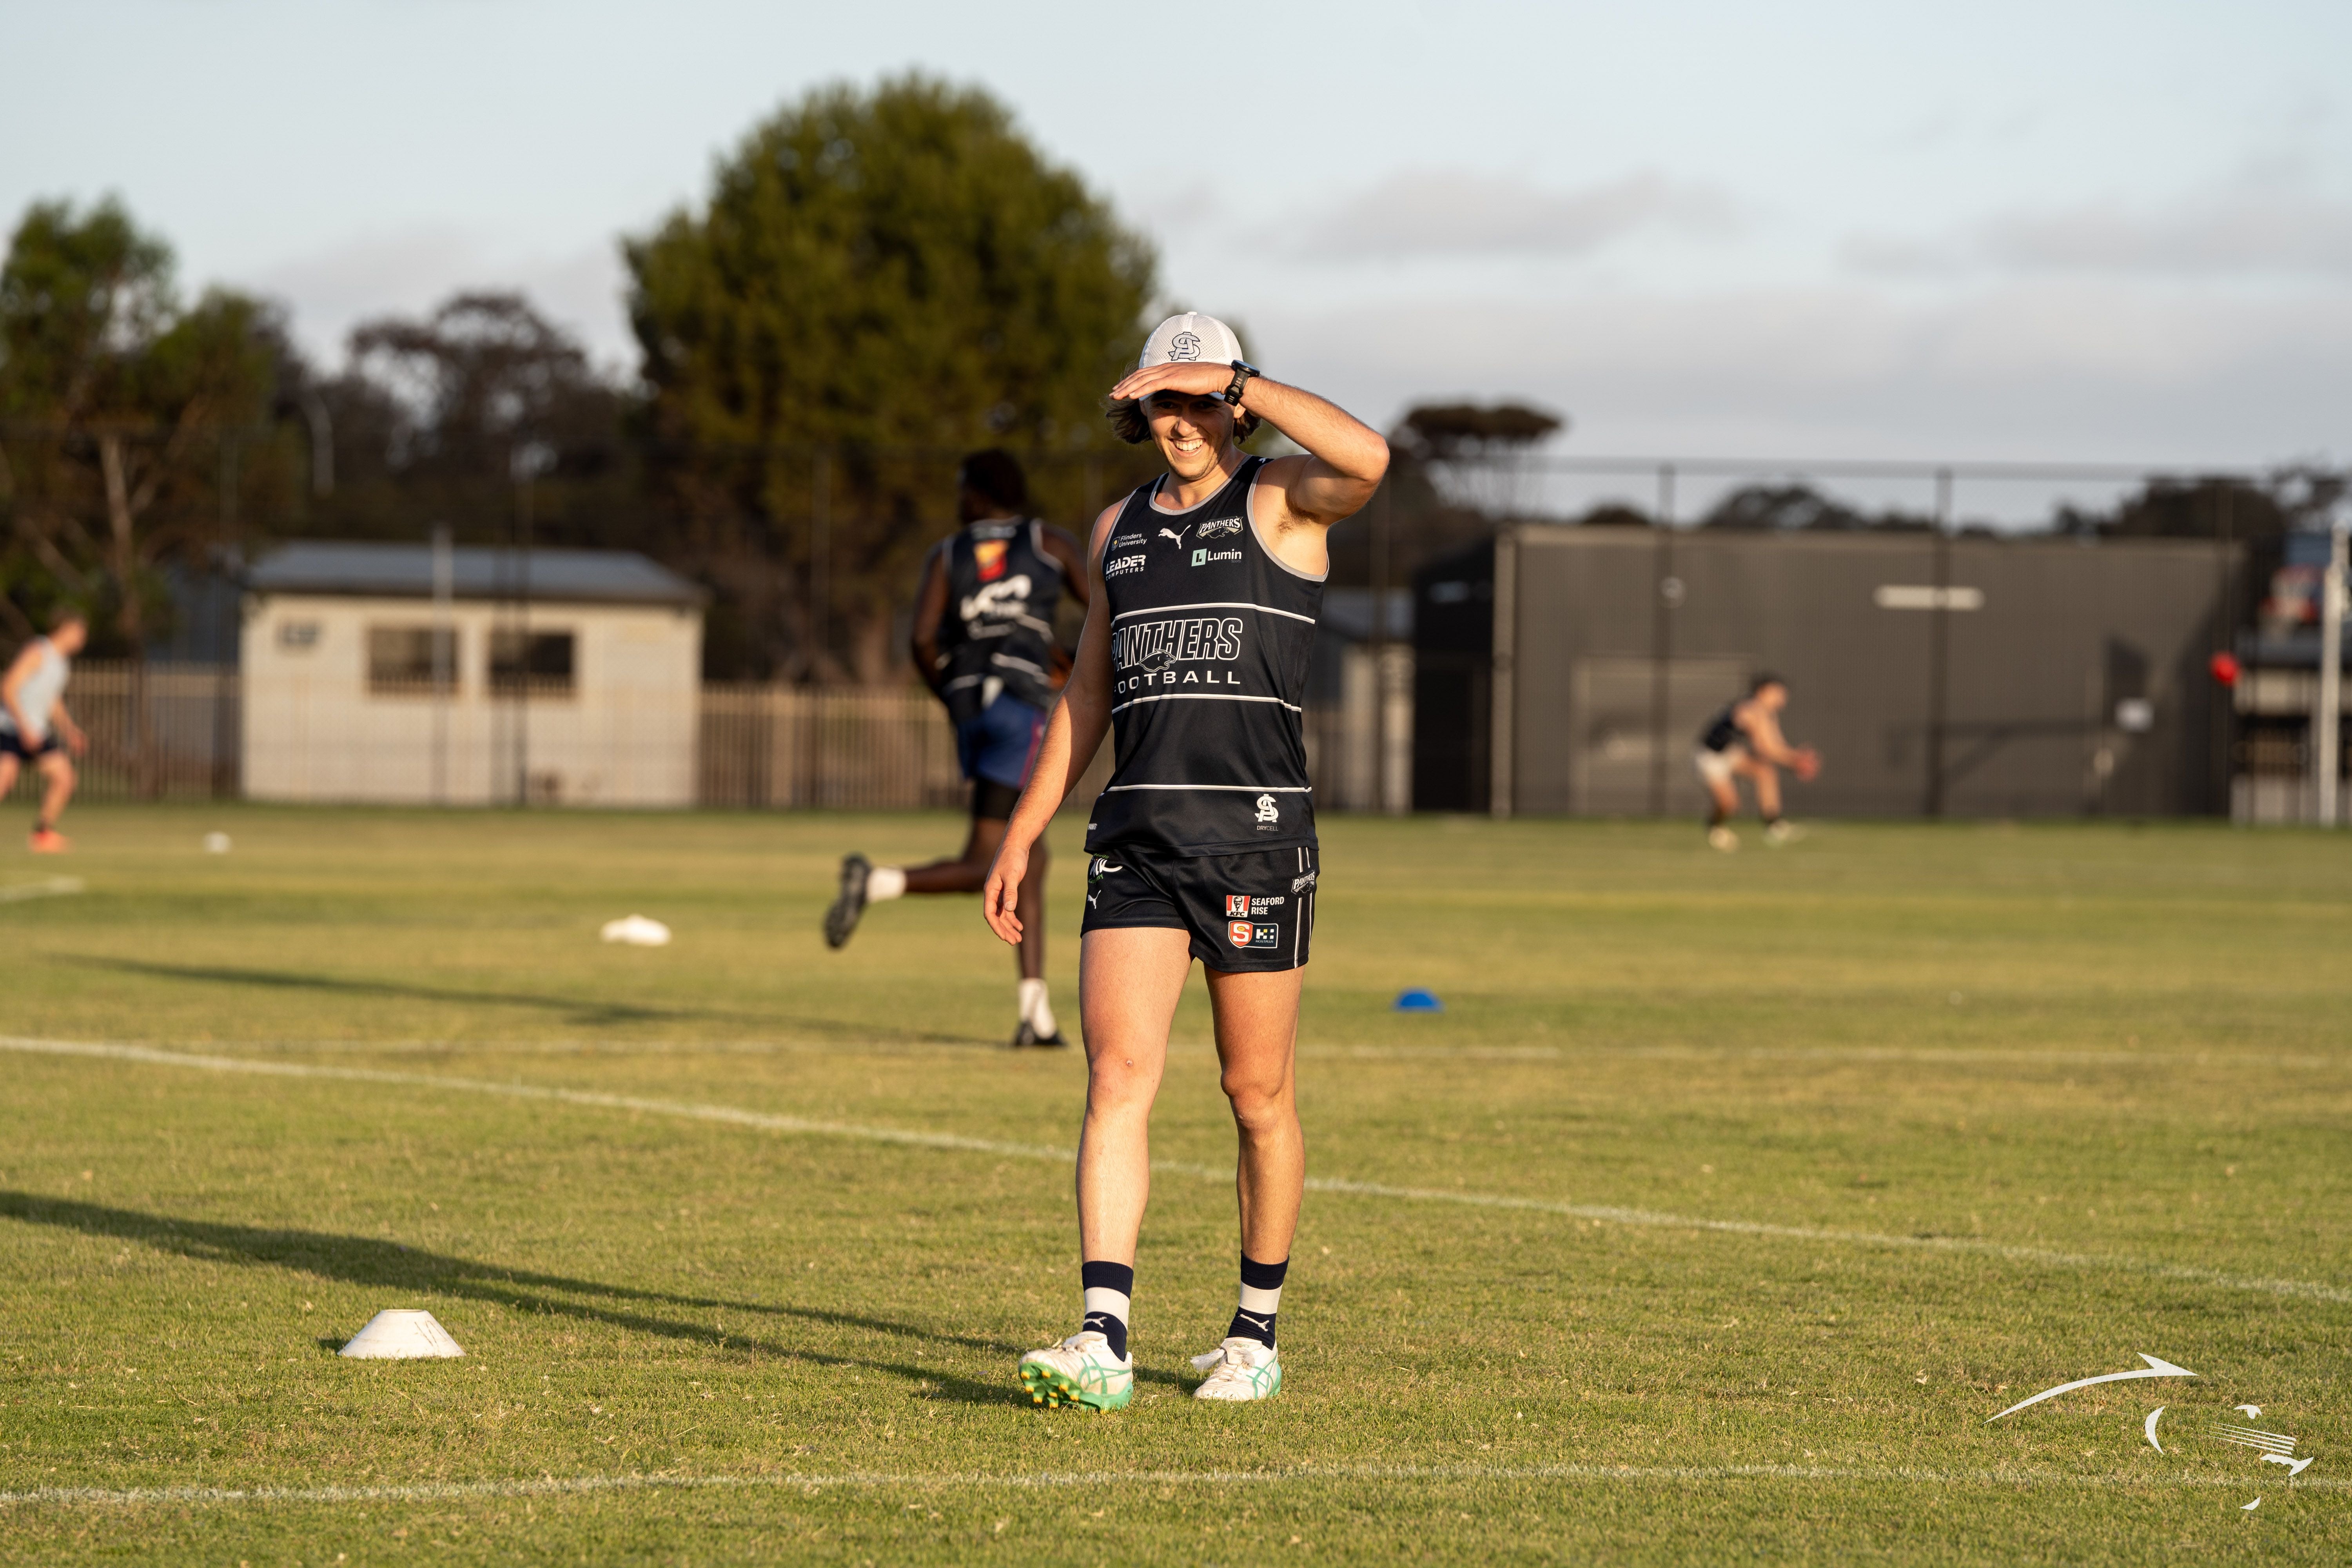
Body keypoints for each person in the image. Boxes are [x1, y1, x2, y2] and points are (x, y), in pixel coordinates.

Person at [980, 313, 1387, 1409]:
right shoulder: (1115, 527)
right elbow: (1083, 695)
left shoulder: (1284, 500)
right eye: (1163, 400)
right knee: (1116, 1077)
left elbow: (1372, 459)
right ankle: (1102, 1337)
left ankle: (1253, 1336)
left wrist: (1246, 381)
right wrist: (1024, 831)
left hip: (1255, 844)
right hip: (1137, 845)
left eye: (1200, 399)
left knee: (1256, 1095)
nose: (1181, 421)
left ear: (1232, 406)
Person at [824, 449, 1090, 1047]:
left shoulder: (947, 555)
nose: (956, 498)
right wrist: (1068, 662)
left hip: (973, 712)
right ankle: (877, 882)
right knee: (989, 861)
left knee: (1032, 857)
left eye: (960, 488)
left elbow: (921, 639)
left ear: (978, 492)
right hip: (1020, 711)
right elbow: (1102, 607)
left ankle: (1035, 1015)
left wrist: (952, 695)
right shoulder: (1049, 542)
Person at [1694, 672, 1819, 850]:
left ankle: (1774, 825)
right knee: (1729, 805)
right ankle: (1715, 827)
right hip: (1711, 756)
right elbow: (1764, 748)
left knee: (1765, 772)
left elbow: (1776, 744)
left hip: (1731, 752)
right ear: (1763, 691)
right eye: (1777, 693)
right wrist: (1795, 761)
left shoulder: (1767, 712)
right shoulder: (1750, 710)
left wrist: (1795, 758)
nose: (1782, 698)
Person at [0, 613, 90, 854]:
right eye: (80, 632)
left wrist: (70, 731)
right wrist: (24, 727)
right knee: (4, 779)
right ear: (65, 629)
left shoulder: (61, 662)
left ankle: (42, 834)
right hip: (11, 728)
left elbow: (52, 701)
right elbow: (8, 687)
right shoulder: (38, 651)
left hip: (36, 731)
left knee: (65, 778)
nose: (83, 638)